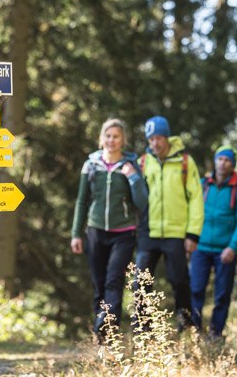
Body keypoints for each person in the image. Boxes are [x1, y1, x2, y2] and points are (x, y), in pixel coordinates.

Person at [70, 118, 148, 340]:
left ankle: (104, 330)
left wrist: (132, 177)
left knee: (113, 281)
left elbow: (142, 203)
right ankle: (103, 340)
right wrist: (76, 233)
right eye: (108, 136)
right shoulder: (91, 165)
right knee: (98, 284)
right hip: (95, 232)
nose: (111, 140)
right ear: (102, 138)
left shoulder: (131, 166)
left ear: (123, 140)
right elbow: (81, 201)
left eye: (116, 136)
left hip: (123, 234)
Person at [134, 116, 204, 332]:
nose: (155, 143)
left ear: (167, 138)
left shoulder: (184, 162)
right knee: (140, 282)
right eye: (151, 139)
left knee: (180, 281)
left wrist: (192, 234)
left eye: (159, 138)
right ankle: (144, 331)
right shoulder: (143, 162)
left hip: (176, 233)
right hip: (148, 232)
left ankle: (186, 327)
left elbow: (196, 199)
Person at [189, 145, 237, 340]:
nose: (223, 163)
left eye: (227, 160)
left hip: (225, 251)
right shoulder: (202, 185)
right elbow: (191, 212)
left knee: (222, 295)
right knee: (195, 290)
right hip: (200, 247)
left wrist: (233, 247)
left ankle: (215, 334)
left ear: (232, 165)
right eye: (220, 159)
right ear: (215, 161)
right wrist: (189, 238)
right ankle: (194, 333)